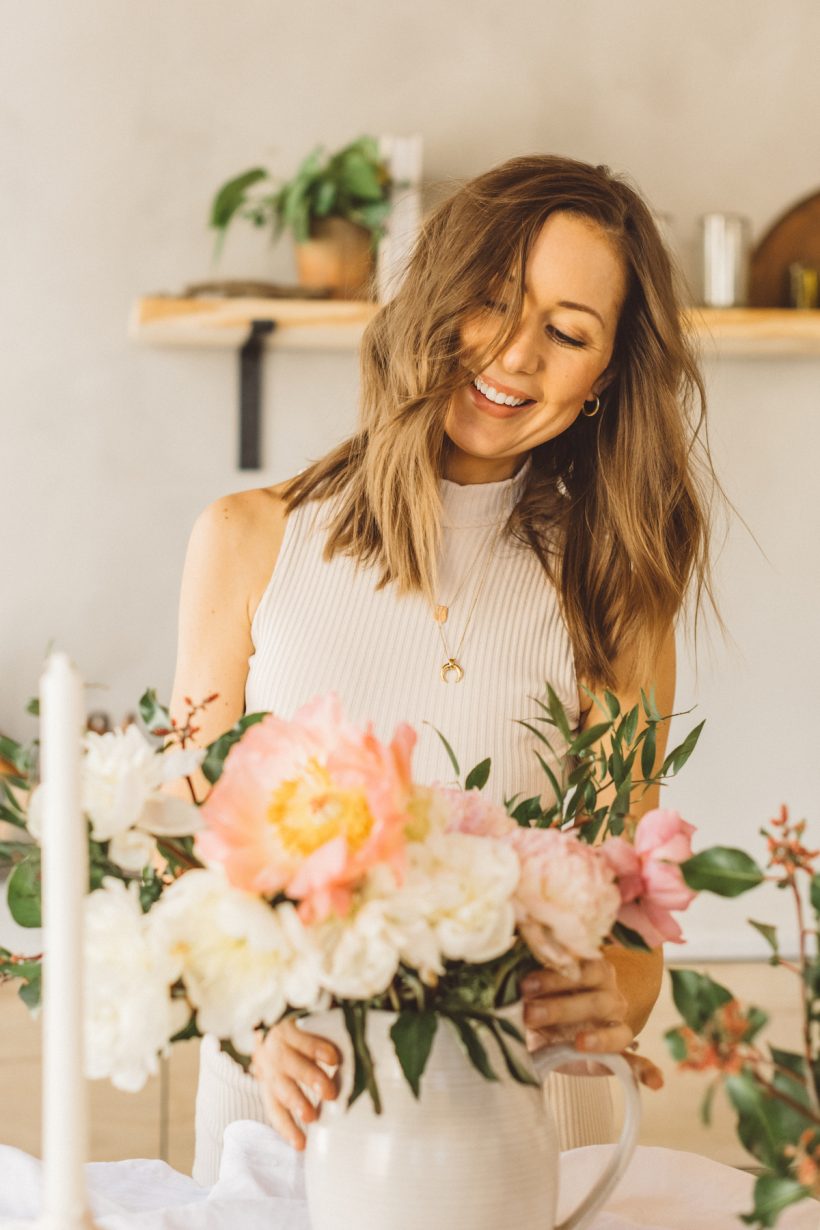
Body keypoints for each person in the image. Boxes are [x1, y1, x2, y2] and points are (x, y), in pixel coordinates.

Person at [169, 154, 715, 1186]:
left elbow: (631, 917)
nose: (512, 355)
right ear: (430, 297)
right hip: (290, 1112)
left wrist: (615, 992)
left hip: (535, 1120)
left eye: (566, 332)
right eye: (491, 301)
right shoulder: (249, 540)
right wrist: (251, 1024)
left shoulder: (615, 592)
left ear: (604, 378)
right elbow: (188, 867)